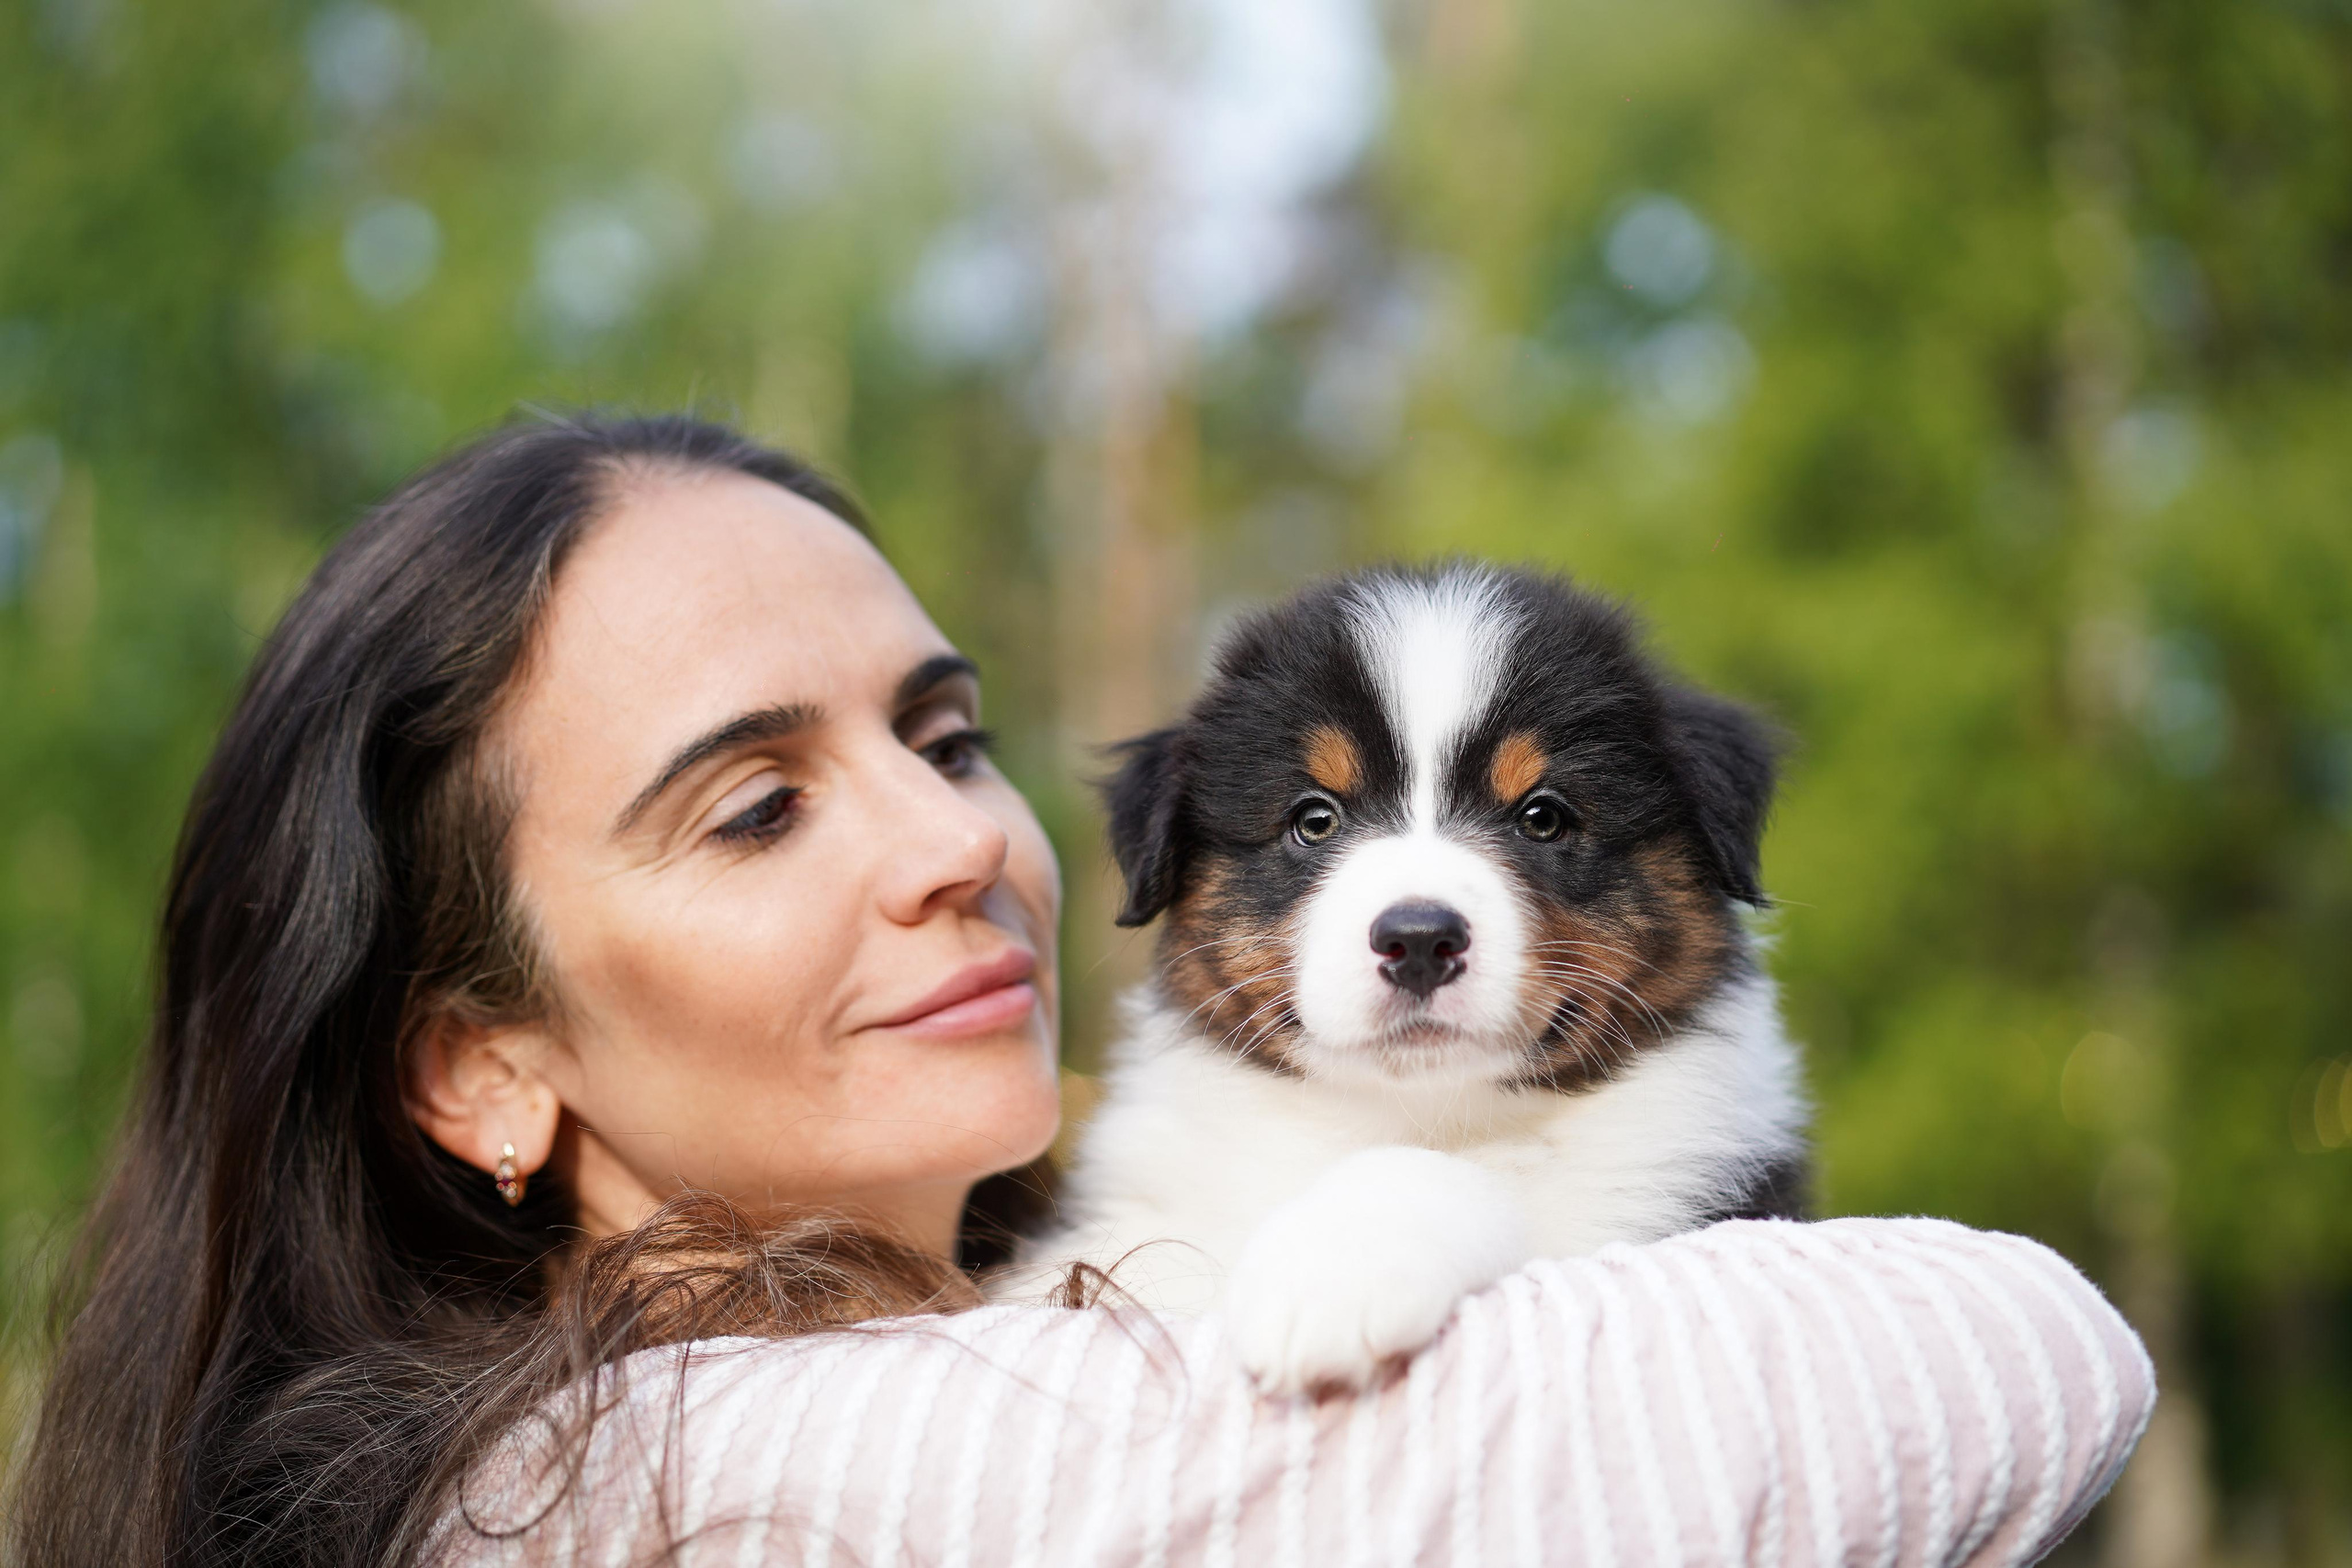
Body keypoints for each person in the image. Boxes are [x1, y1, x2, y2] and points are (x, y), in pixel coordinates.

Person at [7, 415, 2151, 1568]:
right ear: (480, 1065)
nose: (962, 839)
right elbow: (2002, 1352)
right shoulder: (671, 1492)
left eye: (941, 736)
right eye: (754, 807)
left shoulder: (999, 1316)